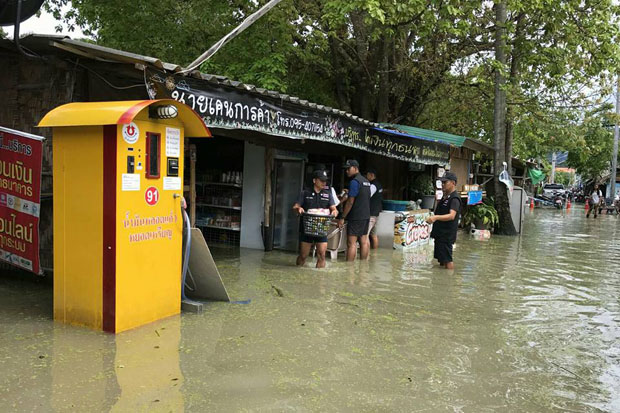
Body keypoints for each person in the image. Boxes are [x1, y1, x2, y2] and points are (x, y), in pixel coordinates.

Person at [293, 170, 339, 268]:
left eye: (325, 181)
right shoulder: (305, 193)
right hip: (307, 229)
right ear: (314, 180)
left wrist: (335, 212)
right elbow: (295, 207)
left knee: (322, 255)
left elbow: (334, 208)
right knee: (303, 255)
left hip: (322, 229)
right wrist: (299, 209)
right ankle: (297, 270)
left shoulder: (328, 194)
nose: (324, 183)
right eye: (321, 180)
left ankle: (319, 279)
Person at [337, 159, 372, 261]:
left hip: (356, 216)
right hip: (366, 215)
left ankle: (350, 269)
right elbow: (363, 196)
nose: (346, 171)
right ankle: (363, 266)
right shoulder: (366, 181)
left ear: (355, 168)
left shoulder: (354, 182)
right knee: (364, 241)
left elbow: (350, 202)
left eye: (348, 169)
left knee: (351, 243)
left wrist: (342, 217)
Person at [426, 172, 461, 270]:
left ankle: (449, 279)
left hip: (446, 234)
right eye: (442, 182)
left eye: (445, 182)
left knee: (447, 260)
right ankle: (440, 280)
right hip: (440, 233)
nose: (443, 184)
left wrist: (435, 217)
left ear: (453, 183)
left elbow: (451, 216)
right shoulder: (445, 197)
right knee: (441, 259)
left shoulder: (454, 198)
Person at [366, 168, 383, 249]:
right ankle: (374, 255)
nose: (366, 177)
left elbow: (367, 196)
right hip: (377, 213)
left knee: (365, 236)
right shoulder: (379, 184)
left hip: (371, 214)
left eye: (367, 175)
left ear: (371, 175)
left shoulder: (373, 185)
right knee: (374, 235)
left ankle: (367, 255)